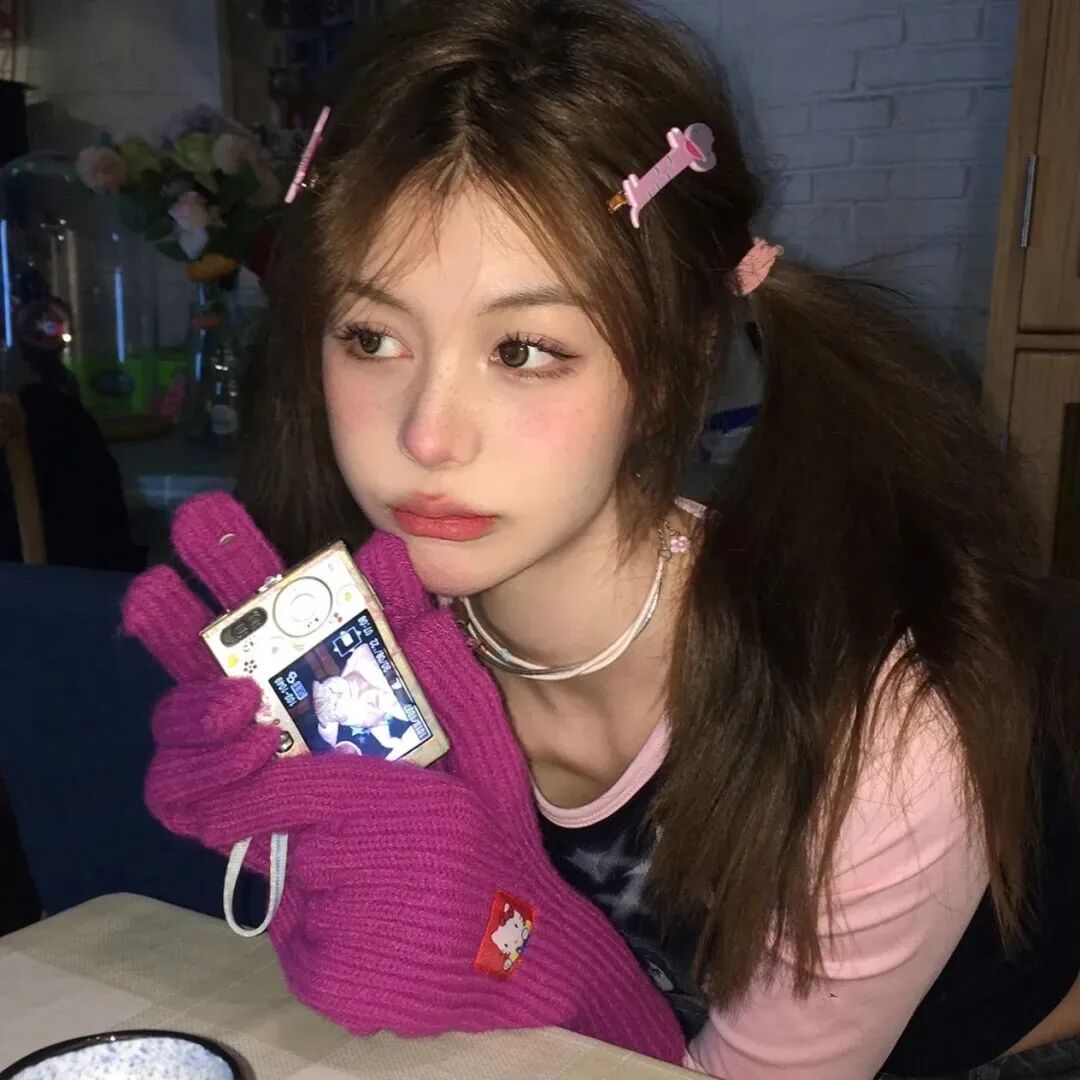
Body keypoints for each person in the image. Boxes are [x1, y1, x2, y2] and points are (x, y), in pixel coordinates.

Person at [123, 1, 1080, 1077]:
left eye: (524, 350)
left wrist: (509, 936)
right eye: (373, 336)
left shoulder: (878, 730)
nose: (426, 436)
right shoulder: (377, 656)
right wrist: (332, 895)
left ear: (672, 367)